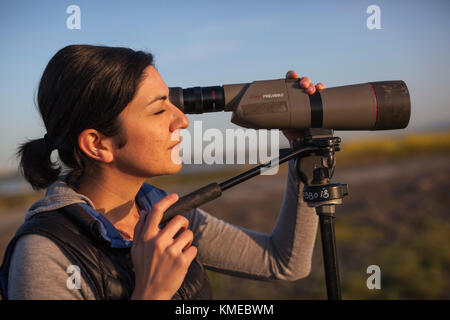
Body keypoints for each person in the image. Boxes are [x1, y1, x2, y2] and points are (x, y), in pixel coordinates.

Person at [0, 45, 325, 300]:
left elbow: (284, 262)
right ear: (97, 144)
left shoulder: (164, 214)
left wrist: (304, 149)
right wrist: (151, 293)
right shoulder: (45, 255)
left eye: (173, 102)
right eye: (158, 110)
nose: (182, 120)